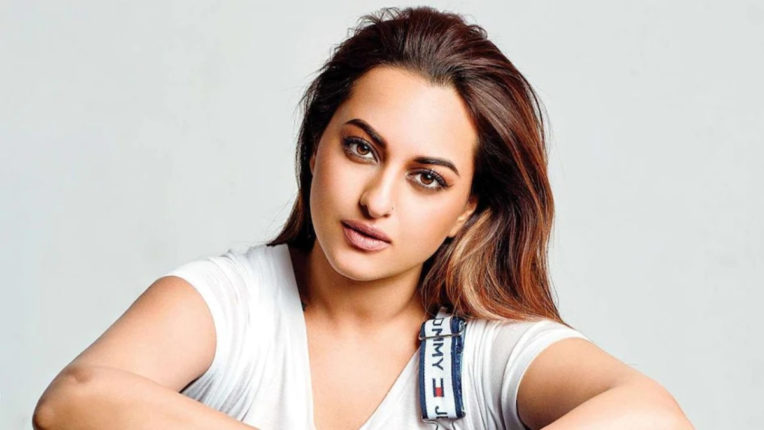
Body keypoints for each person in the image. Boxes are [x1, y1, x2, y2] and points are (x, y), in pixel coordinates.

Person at [33, 6, 692, 430]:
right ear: (316, 146)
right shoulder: (231, 304)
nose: (377, 199)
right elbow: (74, 399)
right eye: (361, 148)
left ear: (465, 212)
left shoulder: (485, 352)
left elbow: (655, 415)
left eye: (427, 178)